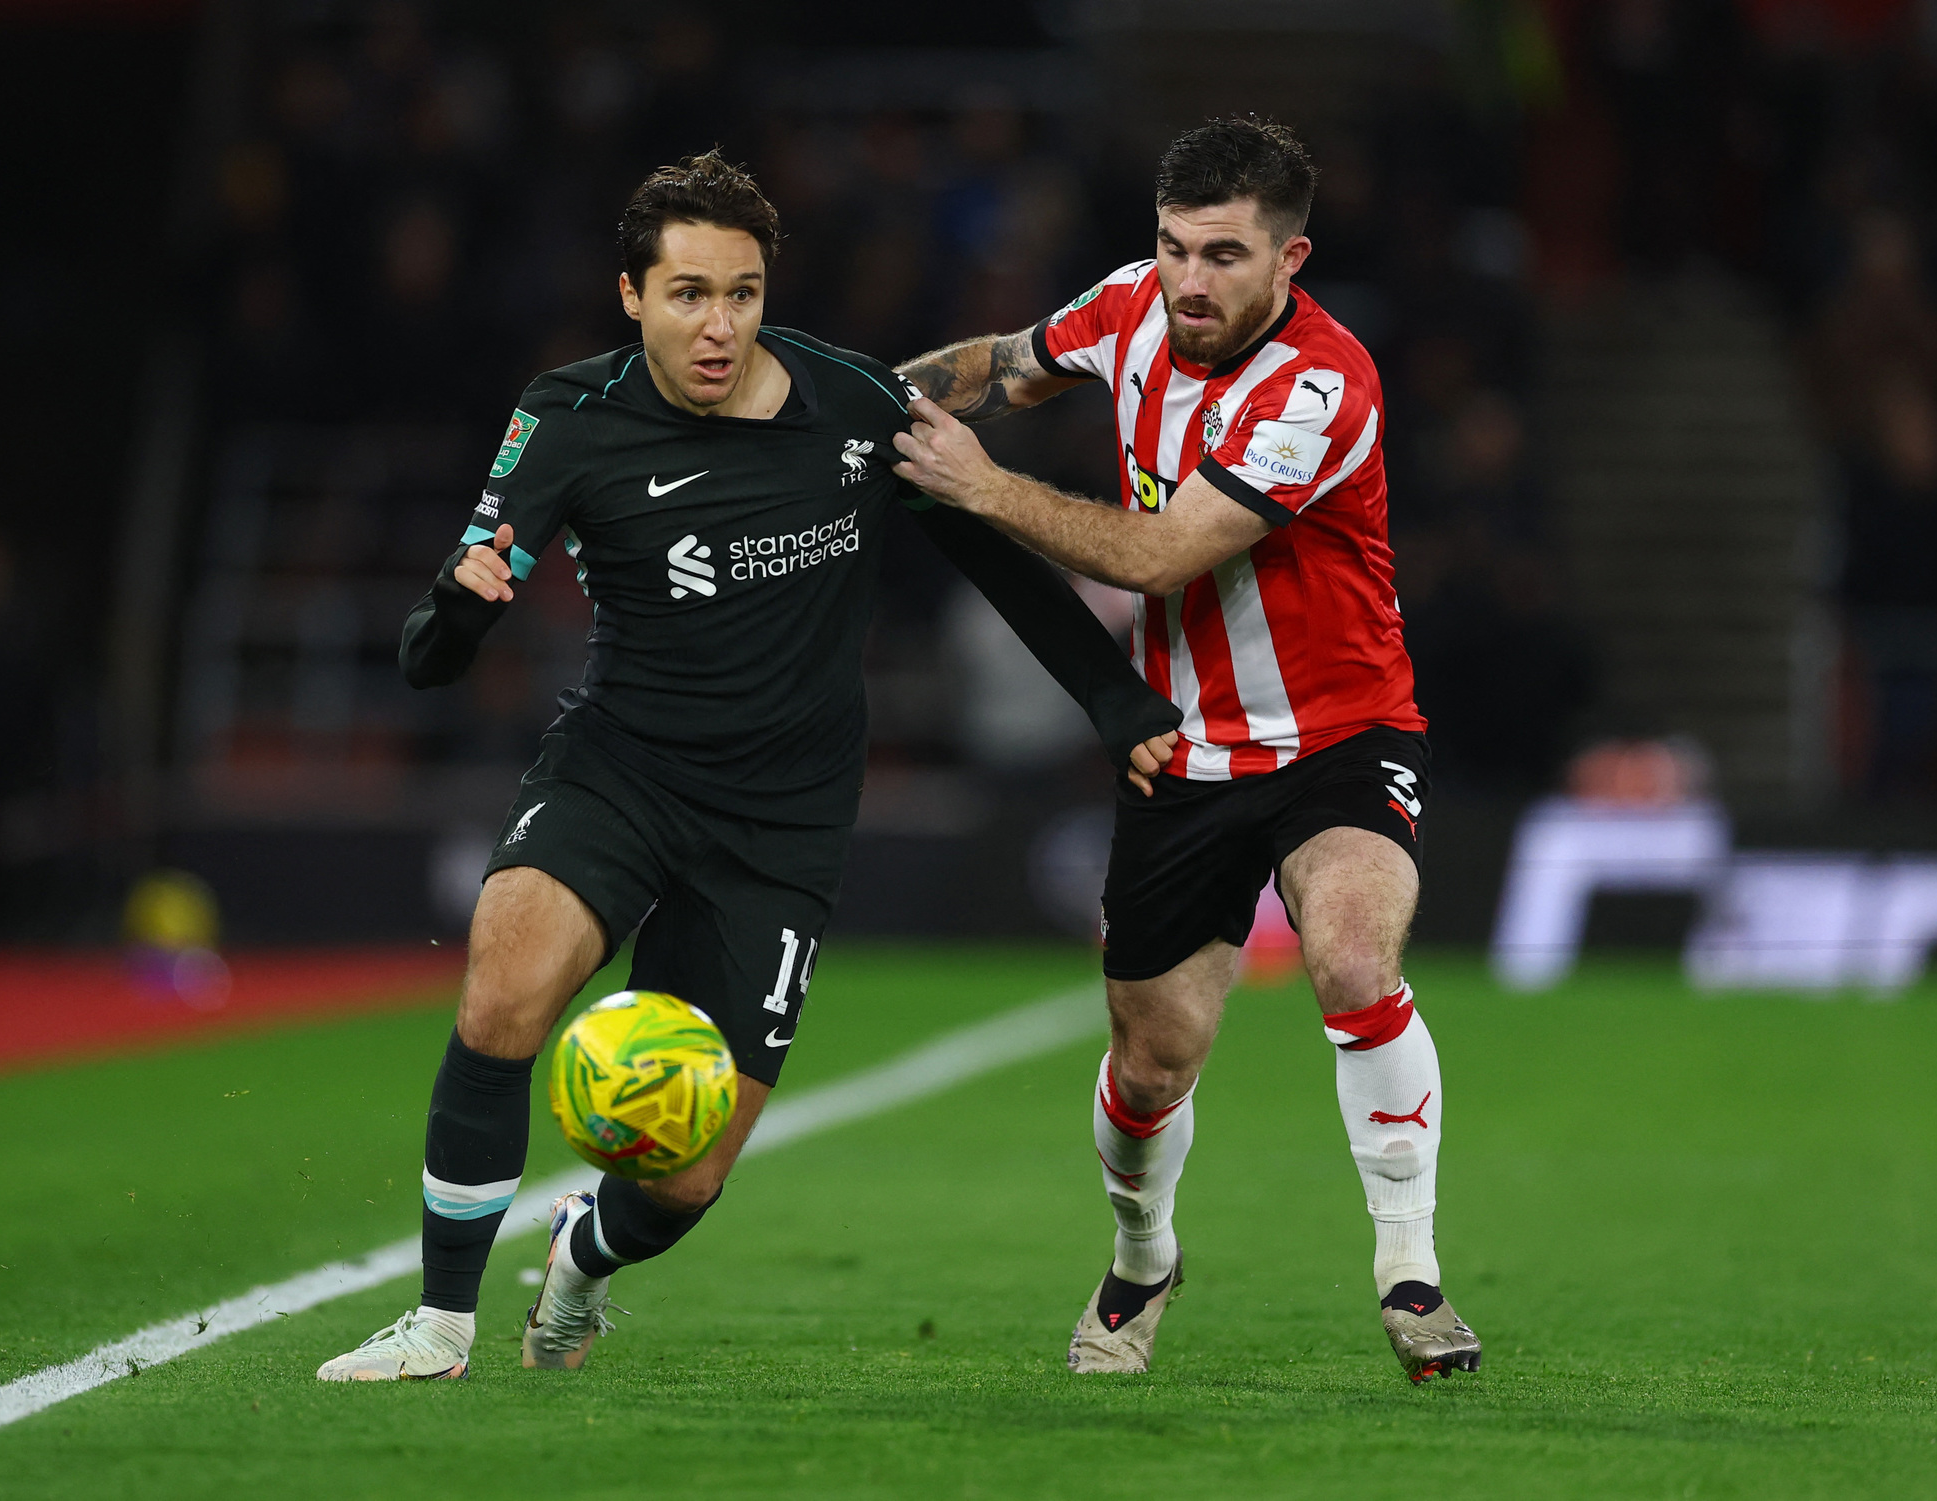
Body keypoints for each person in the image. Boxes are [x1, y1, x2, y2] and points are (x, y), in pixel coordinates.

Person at [317, 152, 1180, 1382]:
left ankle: (582, 1258)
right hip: (620, 768)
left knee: (688, 1177)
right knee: (503, 992)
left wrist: (1113, 702)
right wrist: (459, 609)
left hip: (781, 821)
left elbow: (990, 559)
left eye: (740, 292)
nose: (717, 325)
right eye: (686, 295)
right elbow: (425, 657)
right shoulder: (564, 417)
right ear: (631, 296)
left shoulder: (855, 407)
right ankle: (440, 1324)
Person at [893, 116, 1481, 1384]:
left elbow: (1158, 554)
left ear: (1290, 259)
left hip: (1339, 734)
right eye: (1172, 249)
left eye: (1223, 255)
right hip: (1180, 752)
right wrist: (863, 398)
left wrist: (982, 487)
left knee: (1348, 950)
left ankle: (1410, 1271)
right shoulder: (1124, 308)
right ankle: (1143, 1255)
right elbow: (1001, 364)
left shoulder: (1319, 386)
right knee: (1149, 1061)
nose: (1190, 281)